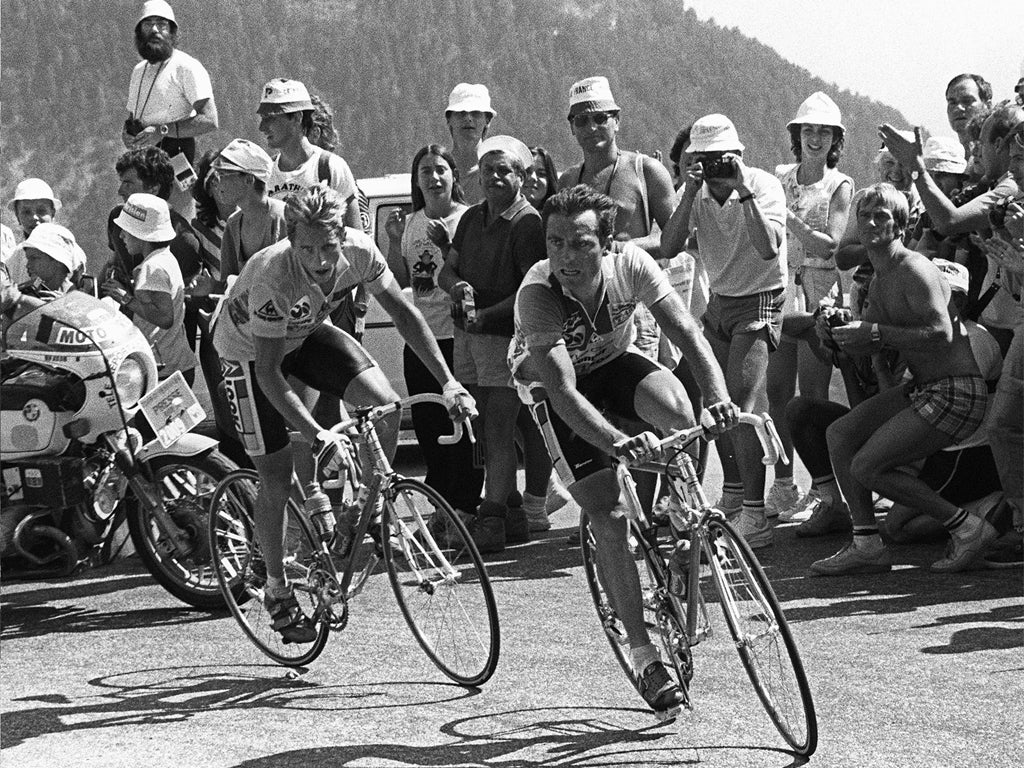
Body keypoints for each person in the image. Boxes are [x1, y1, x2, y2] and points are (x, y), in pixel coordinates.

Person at [509, 184, 737, 713]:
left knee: (679, 413)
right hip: (554, 387)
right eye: (555, 242)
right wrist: (618, 442)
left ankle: (679, 520)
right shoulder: (538, 292)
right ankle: (642, 652)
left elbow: (687, 332)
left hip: (612, 362)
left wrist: (720, 397)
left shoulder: (630, 265)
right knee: (606, 510)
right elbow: (563, 390)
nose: (565, 256)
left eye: (580, 242)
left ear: (607, 244)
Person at [212, 185, 474, 642]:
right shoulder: (275, 273)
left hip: (307, 332)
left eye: (328, 247)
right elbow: (271, 374)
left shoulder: (360, 250)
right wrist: (317, 434)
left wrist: (449, 380)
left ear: (343, 235)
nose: (319, 259)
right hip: (248, 357)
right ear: (291, 240)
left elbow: (404, 313)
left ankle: (359, 513)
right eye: (307, 248)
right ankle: (275, 589)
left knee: (386, 405)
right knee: (274, 474)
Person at [809, 184, 991, 576]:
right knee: (840, 435)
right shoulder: (878, 280)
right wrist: (834, 337)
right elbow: (871, 345)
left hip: (957, 390)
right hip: (925, 388)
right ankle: (866, 544)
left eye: (883, 217)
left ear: (901, 227)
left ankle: (967, 526)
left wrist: (874, 333)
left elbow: (940, 333)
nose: (872, 223)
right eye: (866, 215)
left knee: (867, 466)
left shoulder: (913, 268)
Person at [661, 114, 787, 548]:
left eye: (722, 159)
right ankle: (737, 497)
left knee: (741, 405)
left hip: (761, 296)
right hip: (720, 300)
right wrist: (691, 190)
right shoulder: (692, 191)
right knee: (713, 401)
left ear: (738, 155)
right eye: (706, 160)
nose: (716, 168)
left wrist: (742, 190)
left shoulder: (763, 185)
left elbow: (769, 247)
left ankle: (756, 515)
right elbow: (669, 246)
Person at [437, 135, 547, 552]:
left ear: (521, 176)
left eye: (505, 171)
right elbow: (447, 271)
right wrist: (456, 286)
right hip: (468, 336)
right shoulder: (470, 218)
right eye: (488, 171)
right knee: (483, 426)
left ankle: (493, 519)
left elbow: (530, 288)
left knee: (499, 426)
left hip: (505, 339)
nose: (495, 177)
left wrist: (487, 315)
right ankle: (514, 511)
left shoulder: (527, 223)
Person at [384, 144, 483, 521]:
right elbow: (398, 280)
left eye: (441, 169)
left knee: (464, 425)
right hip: (421, 341)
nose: (434, 177)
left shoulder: (469, 218)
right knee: (428, 426)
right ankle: (442, 504)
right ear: (417, 180)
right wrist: (394, 241)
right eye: (425, 171)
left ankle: (467, 503)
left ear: (454, 176)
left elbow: (475, 274)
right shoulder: (410, 223)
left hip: (459, 336)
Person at [767, 92, 853, 521]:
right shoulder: (779, 176)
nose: (815, 138)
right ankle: (784, 485)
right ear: (796, 135)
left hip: (819, 289)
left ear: (835, 138)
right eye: (808, 130)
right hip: (781, 288)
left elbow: (834, 245)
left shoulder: (840, 184)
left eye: (824, 131)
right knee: (777, 391)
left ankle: (826, 491)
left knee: (814, 393)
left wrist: (789, 220)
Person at [879, 103, 1024, 354]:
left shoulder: (1008, 187)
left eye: (981, 144)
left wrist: (916, 168)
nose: (976, 154)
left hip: (1004, 329)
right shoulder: (994, 186)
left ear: (999, 144)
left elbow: (948, 221)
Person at [106, 193, 195, 385]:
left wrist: (124, 298)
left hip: (163, 371)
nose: (121, 236)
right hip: (176, 365)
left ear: (141, 234)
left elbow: (164, 318)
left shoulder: (152, 267)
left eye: (125, 230)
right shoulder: (165, 259)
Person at [257, 78, 362, 231]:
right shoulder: (265, 172)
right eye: (262, 118)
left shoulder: (330, 167)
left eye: (270, 118)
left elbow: (356, 236)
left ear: (297, 117)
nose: (262, 127)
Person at [122, 0, 217, 165]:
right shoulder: (138, 71)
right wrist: (126, 133)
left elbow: (210, 121)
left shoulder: (186, 67)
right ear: (139, 32)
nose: (154, 30)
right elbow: (134, 115)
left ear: (172, 32)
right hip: (144, 164)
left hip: (177, 158)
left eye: (161, 25)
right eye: (148, 24)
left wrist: (162, 131)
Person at [211, 139, 287, 281]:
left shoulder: (286, 218)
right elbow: (229, 284)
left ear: (249, 180)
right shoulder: (233, 225)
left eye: (223, 175)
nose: (216, 182)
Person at [444, 83, 496, 205]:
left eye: (475, 113)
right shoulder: (439, 171)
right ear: (448, 119)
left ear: (487, 120)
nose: (468, 118)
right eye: (461, 112)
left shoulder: (496, 172)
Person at [4, 178, 62, 284]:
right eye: (26, 212)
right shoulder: (13, 259)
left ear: (52, 213)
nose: (34, 217)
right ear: (17, 216)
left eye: (41, 211)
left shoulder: (69, 252)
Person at [19, 223, 87, 299]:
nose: (28, 265)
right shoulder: (28, 298)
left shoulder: (83, 302)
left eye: (34, 258)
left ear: (58, 261)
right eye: (28, 259)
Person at [944, 73, 993, 178]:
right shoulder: (947, 161)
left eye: (967, 101)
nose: (958, 108)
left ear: (988, 106)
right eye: (952, 102)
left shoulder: (997, 158)